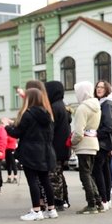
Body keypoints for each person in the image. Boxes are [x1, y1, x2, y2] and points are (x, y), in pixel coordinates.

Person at [6, 87, 57, 221]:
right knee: (46, 181)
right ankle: (51, 209)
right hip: (46, 151)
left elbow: (17, 132)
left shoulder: (28, 114)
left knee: (33, 181)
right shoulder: (48, 114)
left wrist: (7, 126)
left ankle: (36, 210)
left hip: (30, 152)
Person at [70, 80, 101, 214]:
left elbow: (78, 132)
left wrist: (72, 142)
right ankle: (98, 201)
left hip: (83, 145)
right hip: (93, 143)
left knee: (85, 175)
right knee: (89, 174)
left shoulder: (82, 108)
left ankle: (91, 204)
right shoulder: (96, 106)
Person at [93, 81, 112, 211]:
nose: (99, 89)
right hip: (107, 142)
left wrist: (95, 133)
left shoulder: (107, 104)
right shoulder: (106, 102)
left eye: (102, 87)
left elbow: (109, 126)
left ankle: (104, 199)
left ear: (107, 89)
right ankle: (107, 199)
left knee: (100, 171)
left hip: (104, 143)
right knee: (105, 170)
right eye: (97, 87)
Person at [45, 80, 71, 211]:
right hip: (62, 147)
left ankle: (57, 201)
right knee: (59, 175)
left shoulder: (54, 107)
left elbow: (50, 129)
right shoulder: (62, 106)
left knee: (54, 176)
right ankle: (63, 199)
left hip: (55, 148)